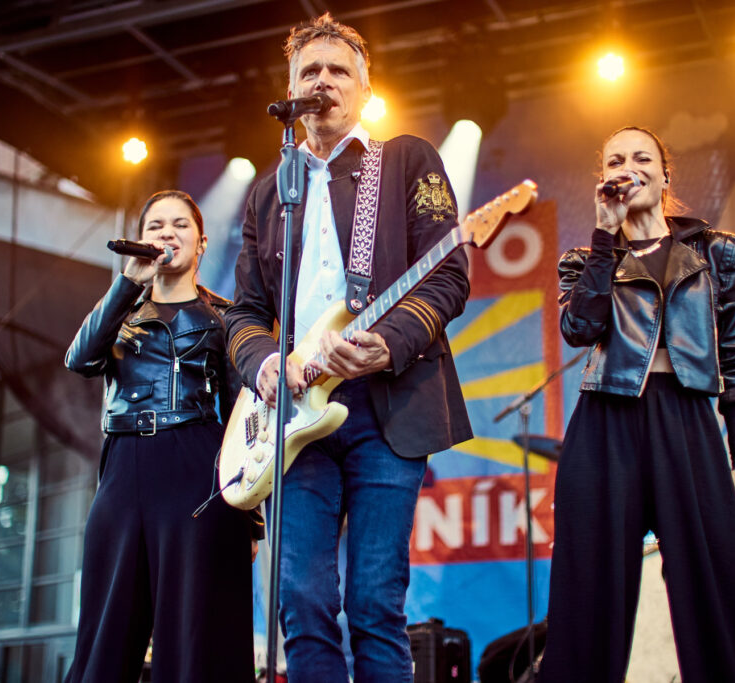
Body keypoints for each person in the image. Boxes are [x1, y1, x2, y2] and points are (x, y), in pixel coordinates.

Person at [224, 13, 472, 683]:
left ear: (365, 89)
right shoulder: (269, 192)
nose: (324, 81)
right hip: (292, 415)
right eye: (310, 71)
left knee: (373, 601)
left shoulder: (407, 161)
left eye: (339, 71)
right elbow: (245, 311)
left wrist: (386, 345)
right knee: (301, 601)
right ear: (291, 91)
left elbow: (448, 275)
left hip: (385, 405)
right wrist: (265, 361)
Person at [537, 126, 735, 682]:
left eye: (642, 157)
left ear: (665, 174)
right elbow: (579, 329)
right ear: (603, 178)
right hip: (605, 423)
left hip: (686, 420)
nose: (629, 167)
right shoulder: (586, 257)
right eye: (616, 160)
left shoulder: (718, 252)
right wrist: (604, 236)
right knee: (587, 596)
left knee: (717, 589)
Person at [64, 190, 258, 682]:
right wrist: (128, 284)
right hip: (123, 466)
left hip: (196, 468)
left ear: (202, 242)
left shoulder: (225, 317)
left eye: (180, 225)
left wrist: (251, 515)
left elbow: (245, 418)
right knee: (106, 629)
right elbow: (80, 359)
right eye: (155, 226)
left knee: (195, 631)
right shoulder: (122, 310)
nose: (167, 233)